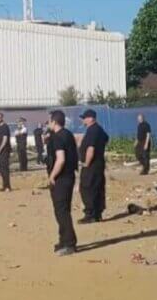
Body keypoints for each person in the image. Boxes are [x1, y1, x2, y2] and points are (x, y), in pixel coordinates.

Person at [46, 110, 79, 256]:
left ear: (54, 122)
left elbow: (61, 159)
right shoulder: (68, 134)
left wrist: (52, 176)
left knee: (62, 211)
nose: (48, 124)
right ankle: (63, 240)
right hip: (69, 176)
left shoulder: (58, 137)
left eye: (49, 121)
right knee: (62, 210)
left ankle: (69, 243)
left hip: (61, 178)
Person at [78, 109, 109, 223]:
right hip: (99, 163)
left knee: (87, 188)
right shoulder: (99, 129)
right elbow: (106, 139)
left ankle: (90, 214)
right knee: (97, 188)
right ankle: (97, 214)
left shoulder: (92, 130)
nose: (83, 120)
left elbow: (91, 148)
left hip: (91, 165)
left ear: (91, 118)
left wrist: (87, 163)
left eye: (85, 118)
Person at [0, 112, 12, 191]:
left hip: (3, 151)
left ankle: (8, 186)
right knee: (1, 169)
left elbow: (5, 139)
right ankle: (4, 185)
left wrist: (0, 149)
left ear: (2, 118)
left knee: (5, 169)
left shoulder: (5, 127)